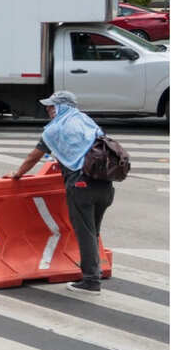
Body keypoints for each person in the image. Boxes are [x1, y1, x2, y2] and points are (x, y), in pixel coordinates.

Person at [9, 91, 114, 294]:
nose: (48, 109)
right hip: (105, 184)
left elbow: (33, 157)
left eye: (52, 106)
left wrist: (17, 173)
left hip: (81, 186)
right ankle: (94, 267)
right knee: (93, 231)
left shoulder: (56, 129)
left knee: (86, 233)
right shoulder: (87, 122)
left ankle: (91, 281)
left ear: (62, 107)